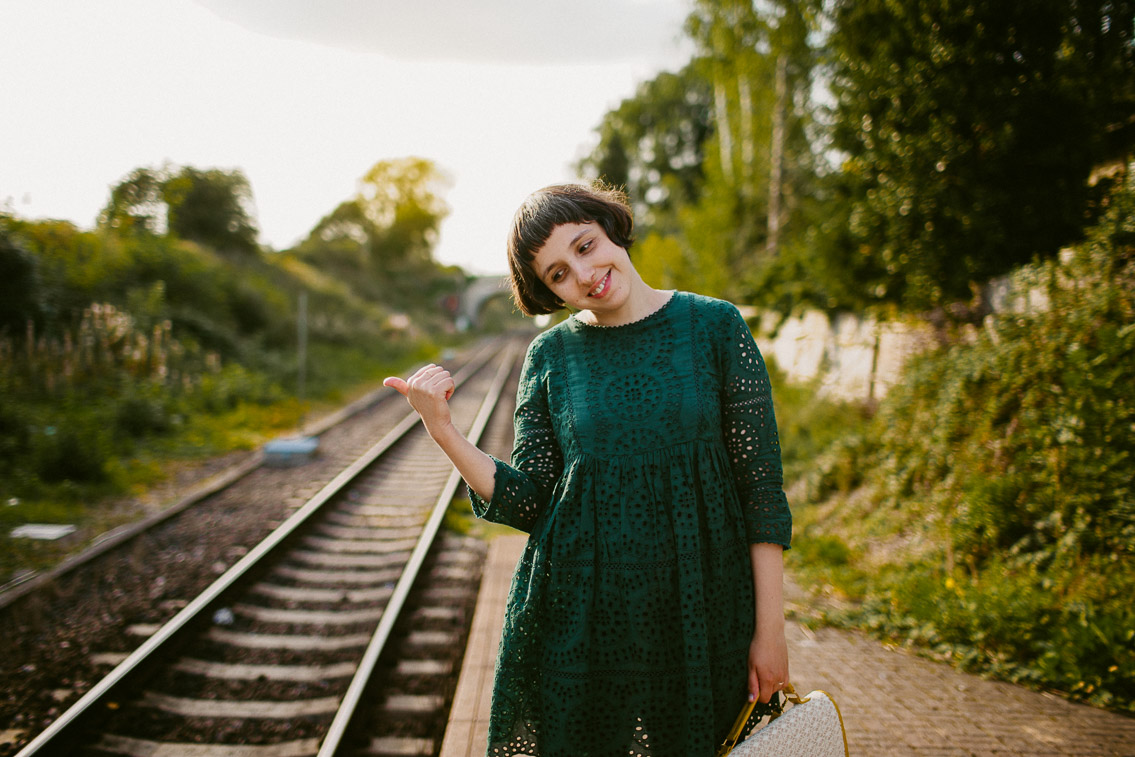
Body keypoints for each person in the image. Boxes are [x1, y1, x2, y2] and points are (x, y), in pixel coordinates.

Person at [384, 183, 791, 756]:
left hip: (705, 609)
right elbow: (530, 500)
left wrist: (770, 632)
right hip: (583, 617)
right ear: (548, 292)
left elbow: (761, 492)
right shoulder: (550, 357)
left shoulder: (716, 327)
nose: (584, 273)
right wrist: (443, 430)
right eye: (557, 273)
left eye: (584, 245)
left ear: (610, 228)